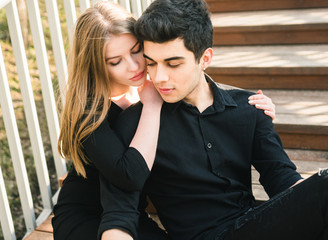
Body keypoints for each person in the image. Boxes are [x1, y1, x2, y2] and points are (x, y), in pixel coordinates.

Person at [52, 1, 276, 239]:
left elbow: (195, 85)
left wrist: (250, 104)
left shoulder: (148, 84)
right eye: (115, 61)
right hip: (89, 216)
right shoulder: (90, 113)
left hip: (133, 212)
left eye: (136, 50)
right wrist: (151, 105)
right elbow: (131, 175)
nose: (134, 66)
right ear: (96, 64)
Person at [106, 0, 328, 239]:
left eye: (173, 64)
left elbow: (282, 180)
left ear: (205, 58)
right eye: (151, 63)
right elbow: (121, 214)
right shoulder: (136, 125)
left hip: (254, 225)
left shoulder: (248, 107)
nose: (159, 77)